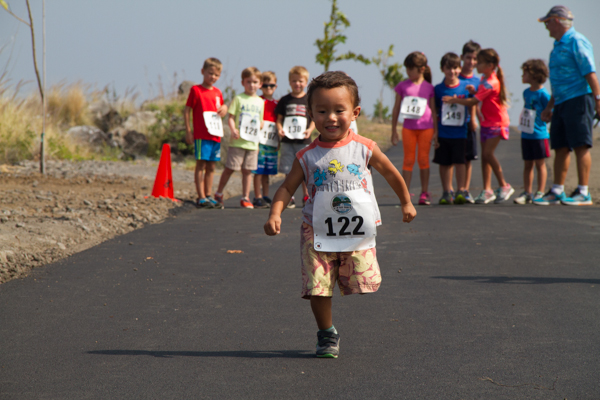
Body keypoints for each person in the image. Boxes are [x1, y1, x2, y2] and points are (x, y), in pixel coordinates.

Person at [264, 71, 416, 358]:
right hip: (316, 230)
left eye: (339, 110)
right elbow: (287, 186)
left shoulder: (365, 148)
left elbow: (390, 173)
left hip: (357, 231)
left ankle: (334, 313)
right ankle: (326, 334)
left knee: (362, 281)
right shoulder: (306, 156)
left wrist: (406, 201)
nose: (330, 117)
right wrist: (275, 212)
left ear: (355, 112)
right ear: (311, 114)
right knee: (317, 286)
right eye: (322, 111)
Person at [535, 5, 600, 206]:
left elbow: (590, 72)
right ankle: (557, 190)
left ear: (556, 21)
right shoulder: (557, 46)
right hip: (562, 102)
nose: (546, 26)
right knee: (561, 146)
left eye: (547, 22)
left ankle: (583, 191)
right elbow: (558, 82)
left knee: (581, 144)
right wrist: (550, 107)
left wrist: (598, 100)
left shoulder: (576, 41)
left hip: (579, 99)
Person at [443, 48, 514, 204]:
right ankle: (487, 189)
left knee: (488, 154)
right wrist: (474, 90)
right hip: (487, 123)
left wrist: (454, 100)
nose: (476, 65)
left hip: (497, 123)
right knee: (484, 156)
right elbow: (480, 96)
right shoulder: (484, 79)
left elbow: (473, 101)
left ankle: (504, 185)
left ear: (489, 65)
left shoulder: (491, 82)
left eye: (480, 62)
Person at [214, 67, 264, 209]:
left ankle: (245, 197)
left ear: (260, 84)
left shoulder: (260, 102)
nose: (252, 85)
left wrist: (260, 125)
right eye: (249, 82)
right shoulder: (239, 99)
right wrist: (233, 129)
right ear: (243, 83)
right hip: (238, 141)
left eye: (255, 82)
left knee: (248, 171)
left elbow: (261, 120)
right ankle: (219, 193)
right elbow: (231, 117)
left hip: (252, 143)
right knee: (230, 168)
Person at [391, 51, 437, 205]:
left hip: (426, 128)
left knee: (423, 159)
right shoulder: (402, 86)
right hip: (408, 128)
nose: (408, 72)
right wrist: (393, 130)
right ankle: (405, 194)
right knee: (408, 160)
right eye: (407, 69)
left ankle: (424, 193)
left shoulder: (429, 88)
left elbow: (433, 110)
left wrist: (436, 132)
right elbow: (396, 108)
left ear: (422, 69)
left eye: (411, 69)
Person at [184, 58, 228, 209]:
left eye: (216, 75)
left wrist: (225, 109)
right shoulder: (195, 90)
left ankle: (209, 195)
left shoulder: (218, 92)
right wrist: (188, 130)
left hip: (215, 134)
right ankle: (201, 196)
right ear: (203, 72)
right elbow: (187, 109)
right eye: (210, 73)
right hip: (201, 135)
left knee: (212, 166)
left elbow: (221, 108)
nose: (213, 77)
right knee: (201, 164)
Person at [433, 53, 471, 205]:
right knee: (444, 163)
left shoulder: (465, 87)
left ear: (460, 68)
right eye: (448, 68)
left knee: (460, 162)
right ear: (442, 69)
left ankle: (460, 190)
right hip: (443, 132)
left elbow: (472, 102)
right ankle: (447, 191)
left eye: (455, 68)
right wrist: (435, 134)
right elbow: (435, 110)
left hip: (460, 132)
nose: (452, 72)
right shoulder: (438, 89)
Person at [276, 66, 315, 208]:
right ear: (289, 82)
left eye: (300, 81)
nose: (297, 83)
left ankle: (307, 195)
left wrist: (310, 130)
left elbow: (314, 119)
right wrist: (280, 129)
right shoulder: (284, 100)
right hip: (287, 141)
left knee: (306, 169)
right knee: (288, 169)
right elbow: (279, 119)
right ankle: (290, 196)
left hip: (303, 140)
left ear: (305, 82)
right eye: (294, 81)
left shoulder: (309, 100)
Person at [514, 60, 551, 204]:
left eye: (525, 73)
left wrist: (546, 119)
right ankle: (527, 193)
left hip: (540, 134)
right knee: (527, 164)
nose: (522, 76)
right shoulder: (525, 92)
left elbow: (550, 112)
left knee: (540, 163)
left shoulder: (543, 94)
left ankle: (540, 192)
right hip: (526, 133)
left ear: (535, 75)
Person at [459, 40, 482, 204]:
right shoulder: (454, 76)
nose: (471, 62)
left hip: (469, 122)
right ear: (462, 57)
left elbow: (477, 101)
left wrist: (476, 118)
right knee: (454, 158)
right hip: (453, 124)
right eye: (468, 58)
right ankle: (453, 189)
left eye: (475, 59)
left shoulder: (478, 81)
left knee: (468, 158)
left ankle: (465, 190)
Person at [252, 71, 279, 209]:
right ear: (261, 86)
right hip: (259, 141)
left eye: (272, 85)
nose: (268, 88)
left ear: (276, 86)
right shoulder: (258, 101)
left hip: (272, 142)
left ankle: (266, 195)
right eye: (266, 85)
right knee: (258, 170)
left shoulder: (277, 103)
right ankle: (257, 196)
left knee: (267, 171)